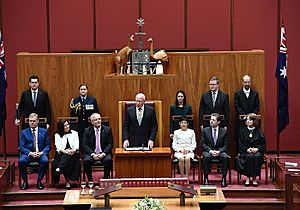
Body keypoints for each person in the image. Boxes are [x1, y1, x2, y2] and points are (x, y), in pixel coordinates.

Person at [18, 113, 51, 190]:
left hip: (40, 154)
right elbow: (21, 147)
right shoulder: (24, 132)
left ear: (37, 121)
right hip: (28, 154)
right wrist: (31, 153)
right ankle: (25, 181)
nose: (32, 122)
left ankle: (39, 180)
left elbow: (48, 146)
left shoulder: (44, 131)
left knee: (45, 160)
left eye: (33, 121)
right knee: (21, 161)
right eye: (30, 121)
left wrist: (41, 153)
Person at [235, 113, 266, 187]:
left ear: (254, 121)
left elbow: (263, 145)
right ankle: (248, 177)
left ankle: (254, 178)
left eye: (250, 120)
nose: (247, 121)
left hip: (256, 152)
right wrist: (247, 149)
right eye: (247, 119)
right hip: (245, 152)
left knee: (256, 156)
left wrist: (257, 149)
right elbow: (240, 144)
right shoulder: (242, 131)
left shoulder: (259, 132)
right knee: (249, 156)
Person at [82, 113, 113, 181]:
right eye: (96, 120)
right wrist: (93, 154)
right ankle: (90, 180)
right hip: (91, 153)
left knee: (108, 160)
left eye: (99, 119)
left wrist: (103, 153)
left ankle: (105, 179)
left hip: (104, 152)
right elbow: (84, 145)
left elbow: (110, 144)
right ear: (92, 122)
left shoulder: (108, 130)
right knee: (86, 160)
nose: (98, 121)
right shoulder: (87, 131)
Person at [201, 113, 229, 187]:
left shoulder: (223, 131)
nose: (211, 121)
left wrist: (219, 151)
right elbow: (203, 144)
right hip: (209, 151)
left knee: (225, 157)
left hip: (220, 151)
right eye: (210, 119)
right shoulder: (205, 130)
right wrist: (210, 151)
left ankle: (223, 178)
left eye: (213, 120)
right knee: (206, 156)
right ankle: (206, 178)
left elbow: (225, 145)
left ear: (218, 122)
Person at [234, 75, 260, 153]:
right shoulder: (238, 93)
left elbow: (257, 106)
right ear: (242, 82)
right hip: (241, 121)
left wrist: (251, 116)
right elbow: (237, 106)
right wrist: (245, 116)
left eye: (248, 82)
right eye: (245, 82)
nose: (247, 84)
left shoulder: (255, 94)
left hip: (253, 122)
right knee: (241, 138)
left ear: (250, 82)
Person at [52, 119, 80, 189]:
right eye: (65, 125)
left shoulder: (75, 133)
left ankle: (60, 168)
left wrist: (73, 150)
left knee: (68, 158)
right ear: (61, 127)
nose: (67, 127)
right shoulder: (57, 135)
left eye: (68, 125)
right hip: (61, 154)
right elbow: (58, 147)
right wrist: (66, 152)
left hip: (73, 154)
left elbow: (77, 145)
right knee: (66, 157)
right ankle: (67, 182)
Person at [70, 84, 99, 149]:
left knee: (89, 141)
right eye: (81, 89)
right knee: (80, 141)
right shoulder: (75, 100)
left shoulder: (92, 100)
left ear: (87, 90)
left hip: (89, 124)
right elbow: (72, 114)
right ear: (79, 91)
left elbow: (96, 112)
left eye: (84, 89)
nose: (83, 91)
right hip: (79, 125)